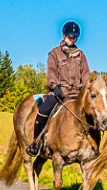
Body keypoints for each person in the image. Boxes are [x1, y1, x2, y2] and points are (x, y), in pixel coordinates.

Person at [27, 20, 90, 156]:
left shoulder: (81, 55)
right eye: (69, 36)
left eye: (74, 37)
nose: (72, 39)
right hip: (60, 93)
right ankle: (35, 143)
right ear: (63, 36)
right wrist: (55, 86)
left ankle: (92, 147)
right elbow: (51, 72)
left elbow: (85, 75)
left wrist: (86, 89)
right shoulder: (54, 53)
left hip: (77, 95)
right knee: (44, 110)